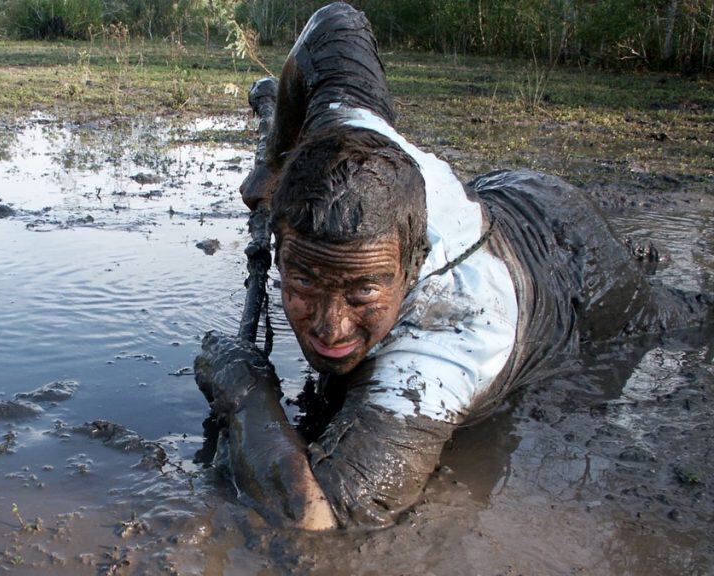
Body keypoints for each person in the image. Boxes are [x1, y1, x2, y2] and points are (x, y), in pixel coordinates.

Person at [194, 2, 710, 531]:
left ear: (414, 266)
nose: (331, 324)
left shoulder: (447, 341)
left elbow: (318, 518)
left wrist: (242, 387)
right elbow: (334, 22)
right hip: (500, 193)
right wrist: (275, 164)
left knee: (679, 319)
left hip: (577, 274)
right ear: (281, 244)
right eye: (303, 279)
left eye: (363, 291)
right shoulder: (344, 135)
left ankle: (642, 268)